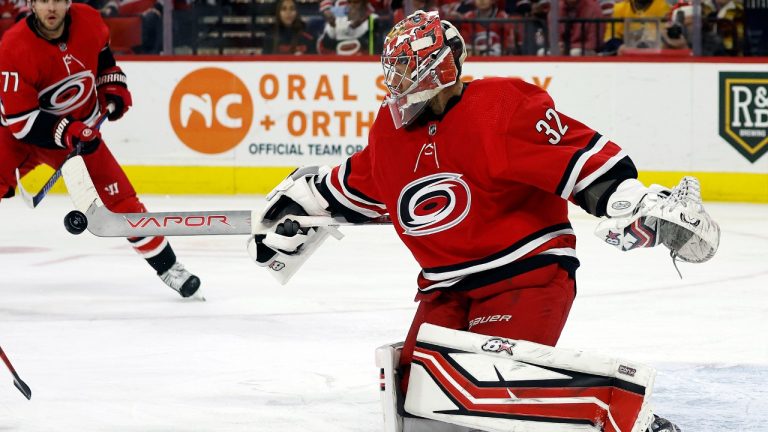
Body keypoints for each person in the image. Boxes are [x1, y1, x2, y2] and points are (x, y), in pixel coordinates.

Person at [252, 10, 718, 432]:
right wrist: (303, 203)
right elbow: (364, 179)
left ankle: (625, 413)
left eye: (407, 71)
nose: (398, 83)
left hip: (526, 277)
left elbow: (575, 162)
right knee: (416, 395)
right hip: (444, 287)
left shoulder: (501, 106)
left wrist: (630, 200)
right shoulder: (389, 129)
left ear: (441, 68)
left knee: (476, 390)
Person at [0, 0, 202, 299]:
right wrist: (70, 130)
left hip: (80, 133)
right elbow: (21, 122)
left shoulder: (89, 20)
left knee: (122, 200)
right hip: (16, 137)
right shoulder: (13, 47)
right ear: (31, 3)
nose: (51, 7)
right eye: (43, 0)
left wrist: (112, 88)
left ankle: (169, 267)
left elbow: (104, 60)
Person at [603, 0, 670, 54]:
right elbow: (609, 36)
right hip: (627, 56)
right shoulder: (620, 8)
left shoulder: (665, 7)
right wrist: (619, 46)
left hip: (657, 55)